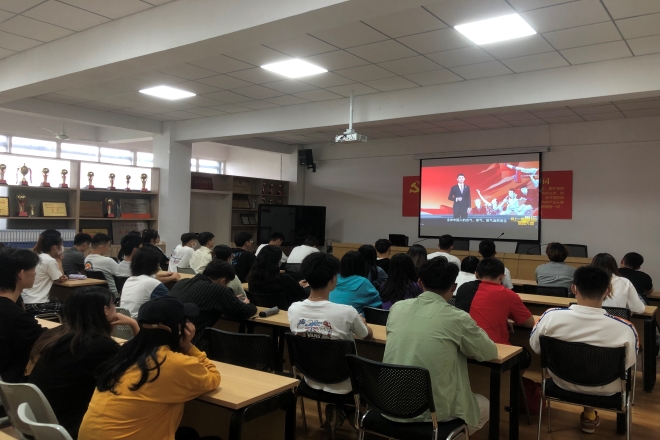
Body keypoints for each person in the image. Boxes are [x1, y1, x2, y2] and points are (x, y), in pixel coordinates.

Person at [78, 297, 220, 440]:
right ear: (178, 329)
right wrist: (188, 346)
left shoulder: (125, 354)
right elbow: (214, 377)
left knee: (188, 433)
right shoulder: (175, 364)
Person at [383, 258, 497, 434]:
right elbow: (489, 352)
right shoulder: (457, 317)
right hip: (431, 411)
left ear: (420, 283)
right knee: (486, 406)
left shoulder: (397, 308)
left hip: (387, 402)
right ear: (454, 287)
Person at [530, 266, 638, 434]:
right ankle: (589, 416)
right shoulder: (625, 328)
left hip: (561, 382)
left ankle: (589, 415)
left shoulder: (550, 317)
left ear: (573, 288)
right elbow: (628, 363)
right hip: (607, 388)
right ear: (608, 291)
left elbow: (536, 347)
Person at [29, 287, 139, 439]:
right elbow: (136, 369)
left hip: (42, 423)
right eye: (113, 304)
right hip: (72, 426)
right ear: (106, 310)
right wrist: (134, 325)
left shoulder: (57, 336)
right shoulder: (100, 346)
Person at [287, 252, 373, 436]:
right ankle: (351, 413)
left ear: (306, 279)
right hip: (346, 384)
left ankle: (341, 411)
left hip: (310, 378)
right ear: (333, 279)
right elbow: (367, 335)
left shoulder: (293, 309)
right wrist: (363, 323)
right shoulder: (347, 312)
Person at [170, 260, 256, 345]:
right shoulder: (218, 290)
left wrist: (230, 300)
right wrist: (248, 304)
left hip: (167, 340)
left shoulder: (182, 282)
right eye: (228, 283)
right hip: (189, 344)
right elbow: (244, 312)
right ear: (222, 281)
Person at [0, 248, 45, 383]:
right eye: (33, 269)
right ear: (21, 273)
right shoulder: (16, 317)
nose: (35, 273)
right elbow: (45, 341)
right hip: (9, 385)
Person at [466, 258, 534, 345]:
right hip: (495, 347)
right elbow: (530, 323)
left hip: (467, 345)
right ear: (502, 277)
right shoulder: (508, 294)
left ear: (476, 274)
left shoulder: (465, 289)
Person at [247, 245, 307, 309]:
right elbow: (303, 295)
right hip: (286, 312)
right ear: (277, 261)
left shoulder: (252, 279)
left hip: (263, 312)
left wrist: (297, 284)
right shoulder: (284, 279)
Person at [22, 234, 68, 315]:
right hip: (38, 304)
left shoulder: (38, 257)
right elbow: (60, 279)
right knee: (71, 307)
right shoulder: (50, 261)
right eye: (61, 246)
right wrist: (59, 260)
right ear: (55, 247)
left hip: (26, 302)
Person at [120, 248, 171, 318]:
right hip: (140, 322)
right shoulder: (153, 283)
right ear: (153, 264)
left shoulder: (129, 280)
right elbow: (172, 304)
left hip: (124, 320)